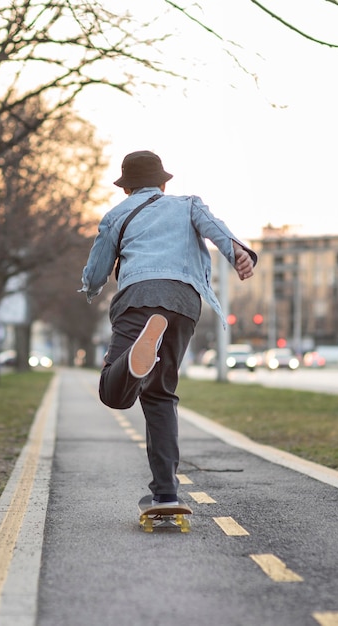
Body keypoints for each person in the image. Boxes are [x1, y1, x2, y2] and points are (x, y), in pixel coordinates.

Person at [80, 150, 258, 506]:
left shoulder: (118, 215)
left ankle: (134, 356)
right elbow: (217, 230)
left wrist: (90, 287)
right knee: (160, 396)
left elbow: (97, 272)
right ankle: (166, 495)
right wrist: (238, 252)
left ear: (126, 188)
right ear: (163, 183)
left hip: (140, 299)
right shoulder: (188, 203)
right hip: (184, 304)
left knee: (112, 393)